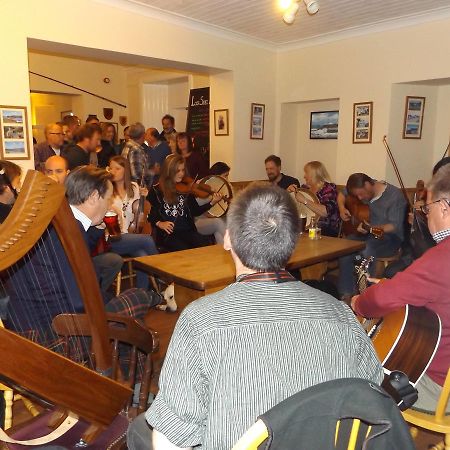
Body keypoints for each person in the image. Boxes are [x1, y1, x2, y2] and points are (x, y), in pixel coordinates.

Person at [127, 184, 383, 450]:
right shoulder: (341, 315)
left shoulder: (199, 321)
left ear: (227, 239)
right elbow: (373, 398)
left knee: (140, 429)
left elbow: (171, 439)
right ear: (293, 242)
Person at [5, 165, 160, 353]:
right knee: (136, 300)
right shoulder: (69, 231)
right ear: (94, 196)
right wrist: (106, 302)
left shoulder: (62, 222)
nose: (110, 203)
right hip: (56, 331)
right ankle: (154, 299)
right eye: (109, 197)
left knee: (126, 315)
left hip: (28, 324)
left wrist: (98, 228)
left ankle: (125, 371)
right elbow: (79, 299)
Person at [351, 164, 450, 413]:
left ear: (444, 208)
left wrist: (356, 303)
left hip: (439, 388)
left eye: (427, 209)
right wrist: (398, 287)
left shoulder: (441, 258)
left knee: (349, 371)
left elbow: (378, 301)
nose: (426, 217)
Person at [337, 173, 407, 299]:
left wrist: (371, 229)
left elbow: (394, 226)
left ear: (368, 184)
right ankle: (345, 293)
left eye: (361, 193)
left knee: (367, 248)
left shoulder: (394, 196)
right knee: (346, 246)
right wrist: (342, 208)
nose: (359, 197)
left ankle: (367, 293)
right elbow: (342, 194)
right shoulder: (362, 187)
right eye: (357, 195)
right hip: (370, 234)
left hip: (391, 238)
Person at [147, 155, 222, 252]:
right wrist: (160, 223)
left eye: (183, 170)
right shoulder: (156, 190)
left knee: (205, 247)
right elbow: (149, 213)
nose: (181, 174)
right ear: (169, 171)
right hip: (169, 235)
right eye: (178, 171)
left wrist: (212, 202)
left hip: (188, 230)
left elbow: (195, 211)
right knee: (184, 249)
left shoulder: (186, 188)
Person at [108, 156, 158, 290]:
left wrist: (144, 197)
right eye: (111, 168)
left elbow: (141, 211)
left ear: (126, 171)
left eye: (117, 168)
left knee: (142, 256)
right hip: (114, 237)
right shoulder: (107, 190)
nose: (113, 171)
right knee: (147, 240)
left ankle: (142, 293)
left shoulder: (134, 187)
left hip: (132, 236)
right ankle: (162, 273)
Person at [290, 161, 340, 237]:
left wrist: (305, 200)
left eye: (306, 173)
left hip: (326, 228)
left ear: (313, 175)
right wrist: (288, 193)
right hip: (306, 227)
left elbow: (325, 212)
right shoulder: (305, 188)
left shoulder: (329, 189)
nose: (304, 176)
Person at [194, 161, 231, 244]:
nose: (227, 179)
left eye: (227, 176)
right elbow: (197, 211)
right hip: (198, 221)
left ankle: (223, 253)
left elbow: (219, 211)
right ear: (217, 176)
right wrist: (212, 199)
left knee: (220, 230)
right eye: (225, 176)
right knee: (218, 222)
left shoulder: (223, 189)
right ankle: (235, 246)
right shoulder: (203, 185)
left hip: (211, 220)